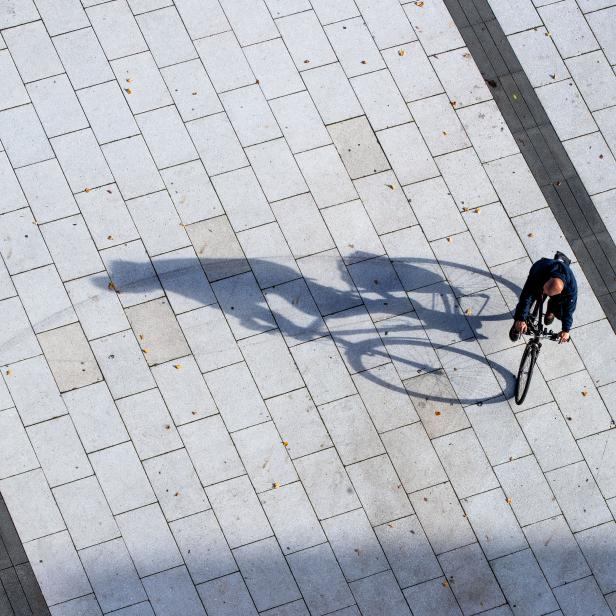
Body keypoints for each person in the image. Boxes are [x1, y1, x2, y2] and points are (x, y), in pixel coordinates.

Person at [509, 251, 577, 344]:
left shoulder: (571, 288)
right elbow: (526, 297)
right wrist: (521, 318)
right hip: (541, 272)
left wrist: (566, 330)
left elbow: (569, 310)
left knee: (561, 313)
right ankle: (518, 323)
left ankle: (551, 308)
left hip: (558, 287)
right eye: (545, 290)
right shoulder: (540, 270)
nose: (544, 293)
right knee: (531, 298)